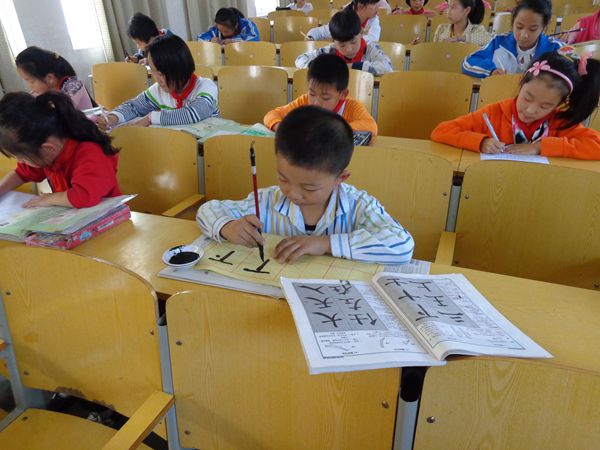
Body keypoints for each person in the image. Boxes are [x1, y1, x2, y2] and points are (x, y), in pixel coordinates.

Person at [199, 106, 414, 264]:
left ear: (340, 178)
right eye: (283, 178)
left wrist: (325, 243)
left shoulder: (358, 205)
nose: (292, 193)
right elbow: (208, 210)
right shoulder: (266, 200)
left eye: (309, 188)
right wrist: (226, 226)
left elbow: (402, 245)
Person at [432, 51, 600, 160]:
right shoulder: (495, 113)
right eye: (527, 97)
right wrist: (481, 142)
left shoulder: (558, 122)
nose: (531, 110)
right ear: (521, 83)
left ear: (559, 104)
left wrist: (540, 147)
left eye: (545, 106)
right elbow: (441, 131)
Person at [0, 91, 120, 208]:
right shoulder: (49, 153)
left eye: (22, 158)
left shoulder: (90, 153)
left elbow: (84, 196)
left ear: (48, 148)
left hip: (110, 216)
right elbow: (21, 173)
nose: (20, 162)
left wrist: (49, 199)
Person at [98, 35, 219, 130]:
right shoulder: (159, 90)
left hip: (207, 149)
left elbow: (194, 113)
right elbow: (133, 106)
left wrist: (150, 118)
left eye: (161, 73)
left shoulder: (206, 87)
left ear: (180, 68)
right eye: (153, 71)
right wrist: (113, 117)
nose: (157, 79)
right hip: (175, 146)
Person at [266, 53, 377, 135]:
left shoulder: (351, 107)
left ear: (343, 94)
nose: (316, 103)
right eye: (312, 93)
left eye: (325, 97)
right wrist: (281, 127)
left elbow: (371, 127)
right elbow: (272, 114)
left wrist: (333, 129)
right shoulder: (304, 101)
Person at [462, 0, 563, 78]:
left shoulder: (555, 48)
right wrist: (491, 71)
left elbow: (569, 72)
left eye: (533, 29)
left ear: (544, 27)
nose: (524, 35)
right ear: (512, 22)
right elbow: (468, 62)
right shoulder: (499, 42)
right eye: (519, 27)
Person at [296, 9, 393, 76]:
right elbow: (300, 59)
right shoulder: (331, 50)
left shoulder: (370, 49)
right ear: (334, 41)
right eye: (342, 45)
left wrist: (352, 66)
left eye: (353, 42)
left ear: (361, 33)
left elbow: (388, 67)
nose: (349, 49)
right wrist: (323, 67)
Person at [16, 46, 94, 111]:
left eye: (32, 82)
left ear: (50, 78)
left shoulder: (72, 86)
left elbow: (62, 116)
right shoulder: (39, 93)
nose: (30, 86)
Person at [307, 0, 381, 43]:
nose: (378, 7)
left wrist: (344, 40)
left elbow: (373, 40)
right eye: (374, 3)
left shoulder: (374, 19)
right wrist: (310, 37)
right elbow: (317, 32)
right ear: (360, 5)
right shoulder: (343, 20)